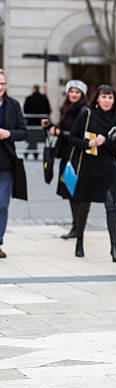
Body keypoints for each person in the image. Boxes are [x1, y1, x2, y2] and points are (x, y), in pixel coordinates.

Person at [69, 84, 116, 262]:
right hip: (89, 168)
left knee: (111, 206)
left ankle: (114, 248)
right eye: (104, 97)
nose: (107, 101)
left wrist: (105, 141)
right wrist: (89, 144)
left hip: (110, 169)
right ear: (97, 99)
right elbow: (72, 138)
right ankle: (79, 241)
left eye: (110, 97)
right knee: (84, 207)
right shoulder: (87, 114)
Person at [42, 80, 88, 239]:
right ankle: (76, 226)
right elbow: (65, 130)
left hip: (75, 157)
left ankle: (78, 228)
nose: (73, 94)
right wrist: (50, 127)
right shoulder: (68, 109)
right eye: (71, 92)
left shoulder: (82, 110)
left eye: (77, 92)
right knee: (70, 192)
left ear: (82, 94)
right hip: (67, 156)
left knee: (75, 193)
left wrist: (59, 132)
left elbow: (78, 135)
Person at [0, 69, 27, 258]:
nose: (0, 87)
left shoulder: (13, 105)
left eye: (2, 83)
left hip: (6, 165)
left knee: (2, 204)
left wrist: (8, 134)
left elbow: (23, 131)